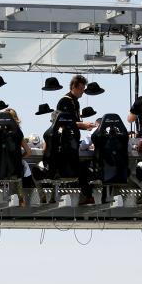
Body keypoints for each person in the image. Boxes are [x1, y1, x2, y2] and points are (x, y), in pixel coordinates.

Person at [54, 75, 97, 204]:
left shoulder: (75, 102)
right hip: (66, 143)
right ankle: (87, 195)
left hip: (72, 141)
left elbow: (74, 122)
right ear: (74, 87)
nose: (83, 92)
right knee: (81, 168)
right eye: (81, 89)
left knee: (82, 168)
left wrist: (84, 126)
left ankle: (87, 195)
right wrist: (83, 125)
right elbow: (65, 122)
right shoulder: (65, 101)